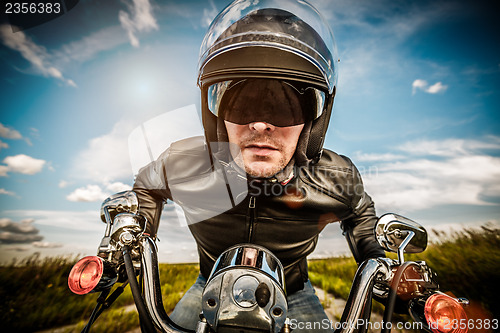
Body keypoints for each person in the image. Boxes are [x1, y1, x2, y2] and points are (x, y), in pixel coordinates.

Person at [132, 1, 385, 331]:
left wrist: (379, 261)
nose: (262, 125)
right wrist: (137, 237)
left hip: (294, 292)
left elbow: (360, 212)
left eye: (286, 107)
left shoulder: (337, 176)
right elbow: (146, 184)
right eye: (243, 103)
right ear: (216, 116)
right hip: (208, 284)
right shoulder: (182, 163)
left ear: (313, 123)